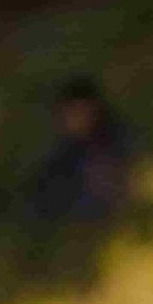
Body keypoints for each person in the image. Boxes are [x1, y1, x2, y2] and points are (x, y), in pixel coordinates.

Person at [26, 76, 132, 224]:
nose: (71, 119)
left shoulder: (111, 146)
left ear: (92, 110)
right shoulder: (67, 149)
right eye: (66, 113)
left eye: (76, 111)